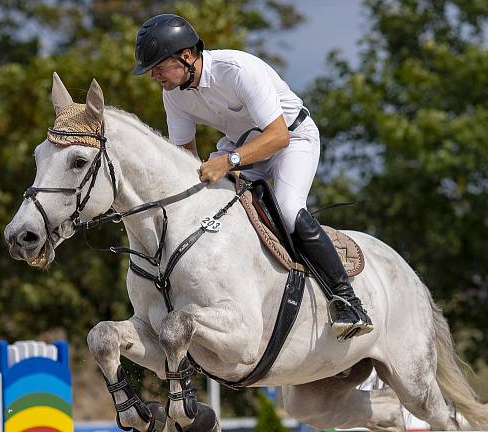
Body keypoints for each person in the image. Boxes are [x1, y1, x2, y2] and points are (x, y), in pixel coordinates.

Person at [132, 14, 372, 340]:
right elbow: (184, 157)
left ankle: (347, 299)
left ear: (186, 55)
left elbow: (278, 136)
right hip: (241, 149)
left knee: (288, 208)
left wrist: (227, 162)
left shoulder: (238, 70)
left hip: (292, 141)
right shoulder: (174, 93)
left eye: (158, 67)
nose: (154, 76)